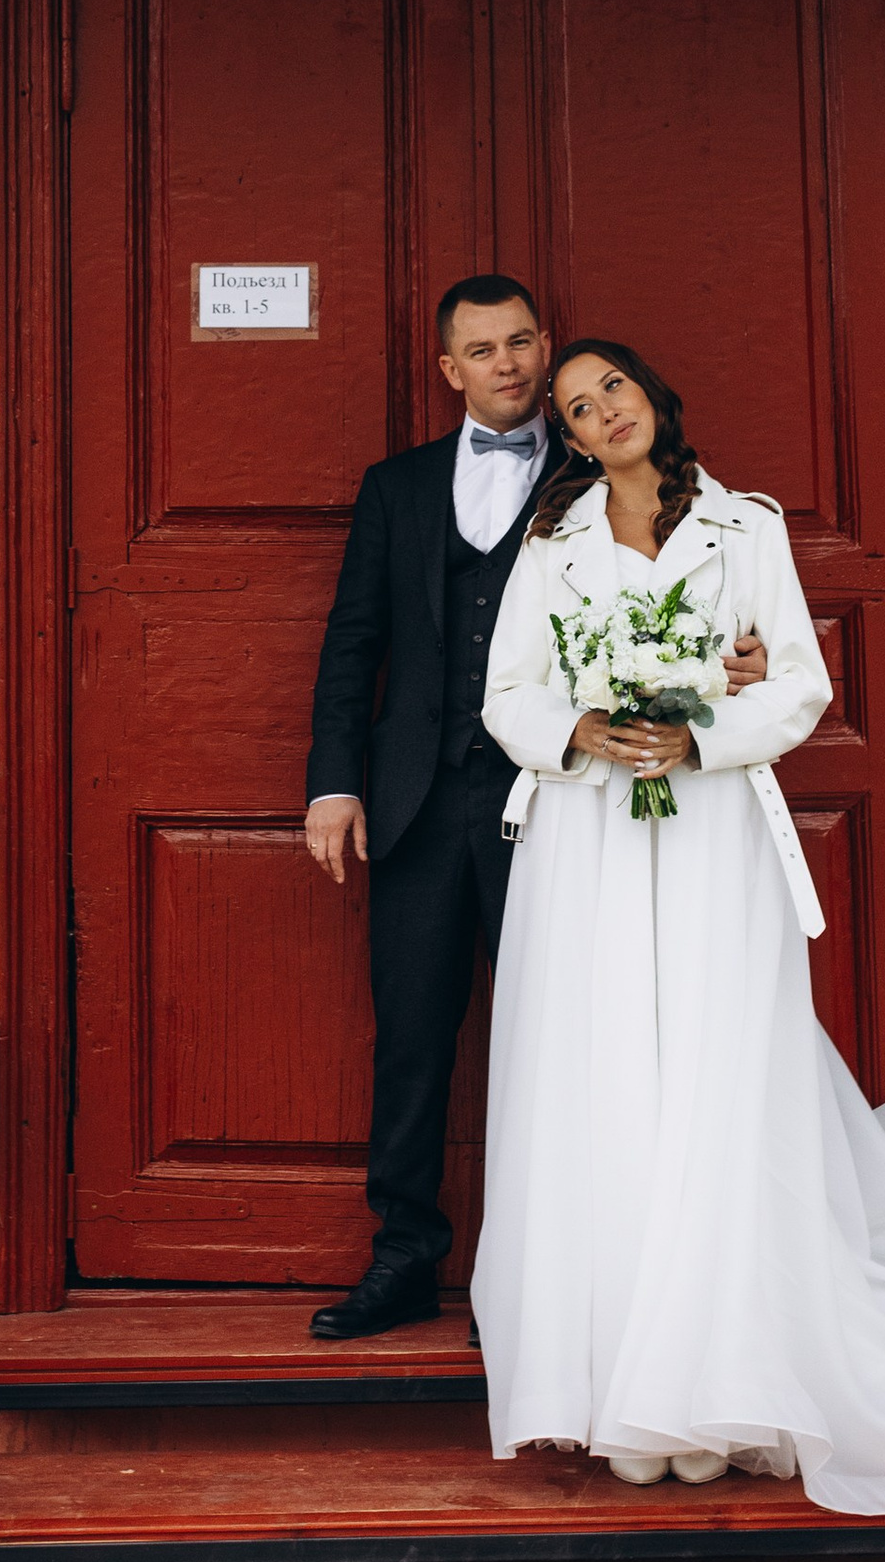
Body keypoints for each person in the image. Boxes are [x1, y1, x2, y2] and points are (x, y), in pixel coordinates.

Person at [473, 335, 885, 1512]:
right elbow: (509, 691)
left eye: (612, 388)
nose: (602, 413)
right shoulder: (551, 546)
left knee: (714, 1075)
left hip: (710, 831)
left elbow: (799, 683)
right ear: (564, 437)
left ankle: (719, 1378)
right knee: (601, 1079)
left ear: (654, 394)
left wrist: (702, 734)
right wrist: (582, 731)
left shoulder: (743, 528)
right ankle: (610, 1382)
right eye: (574, 408)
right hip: (587, 838)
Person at [300, 275, 766, 1340]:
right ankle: (404, 1261)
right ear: (447, 368)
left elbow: (692, 588)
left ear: (542, 345)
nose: (507, 365)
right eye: (483, 349)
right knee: (410, 1040)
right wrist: (335, 783)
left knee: (567, 1043)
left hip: (566, 802)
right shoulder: (396, 487)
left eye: (521, 343)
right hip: (416, 800)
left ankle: (544, 1278)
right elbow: (354, 643)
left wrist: (729, 662)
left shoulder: (601, 470)